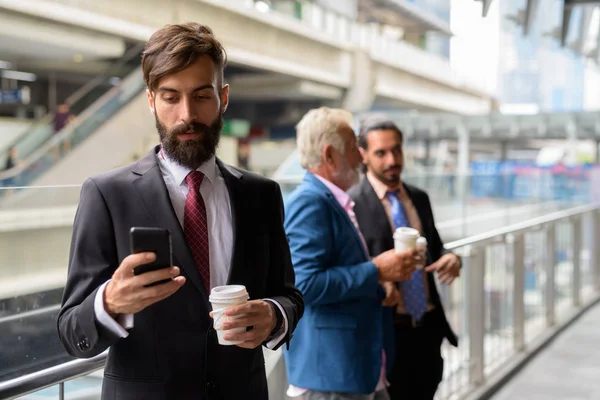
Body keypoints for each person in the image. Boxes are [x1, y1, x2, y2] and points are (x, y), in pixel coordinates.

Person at [57, 23, 304, 400]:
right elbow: (72, 330)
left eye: (201, 96)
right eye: (171, 97)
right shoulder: (106, 194)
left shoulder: (262, 194)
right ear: (151, 100)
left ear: (223, 98)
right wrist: (109, 303)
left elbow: (288, 294)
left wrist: (273, 315)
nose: (186, 114)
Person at [283, 107, 422, 400]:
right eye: (353, 148)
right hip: (331, 376)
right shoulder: (310, 203)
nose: (362, 157)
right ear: (330, 155)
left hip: (353, 370)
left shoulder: (333, 201)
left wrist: (377, 283)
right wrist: (377, 271)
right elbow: (305, 285)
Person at [348, 116, 461, 400]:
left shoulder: (419, 198)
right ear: (363, 155)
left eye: (396, 150)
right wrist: (379, 280)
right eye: (381, 153)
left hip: (428, 327)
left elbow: (435, 246)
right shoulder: (352, 204)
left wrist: (451, 257)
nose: (392, 160)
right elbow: (350, 266)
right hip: (387, 333)